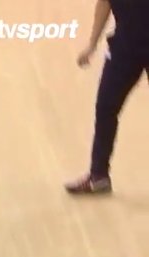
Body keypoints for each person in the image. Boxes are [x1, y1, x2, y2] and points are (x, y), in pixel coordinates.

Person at [65, 0, 149, 194]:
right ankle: (98, 176)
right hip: (125, 46)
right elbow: (105, 2)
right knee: (105, 107)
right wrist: (92, 44)